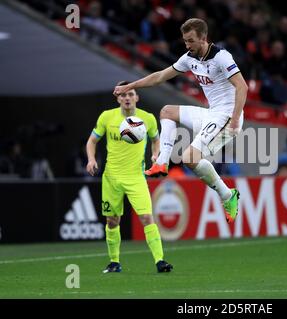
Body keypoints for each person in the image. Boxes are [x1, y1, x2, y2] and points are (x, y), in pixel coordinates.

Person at [113, 18, 248, 223]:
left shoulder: (221, 57)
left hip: (228, 116)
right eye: (185, 41)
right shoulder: (189, 58)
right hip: (212, 114)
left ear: (203, 38)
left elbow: (242, 86)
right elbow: (159, 76)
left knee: (189, 157)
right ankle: (162, 163)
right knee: (167, 111)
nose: (187, 45)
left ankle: (227, 195)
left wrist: (236, 118)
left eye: (191, 41)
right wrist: (129, 86)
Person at [86, 81, 173, 274]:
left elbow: (156, 140)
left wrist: (155, 154)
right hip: (112, 177)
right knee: (112, 221)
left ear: (137, 97)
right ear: (118, 98)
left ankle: (160, 261)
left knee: (146, 217)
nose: (127, 98)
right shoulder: (107, 117)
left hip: (136, 177)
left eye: (131, 94)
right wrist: (91, 159)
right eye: (123, 95)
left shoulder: (147, 118)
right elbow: (92, 141)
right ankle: (114, 262)